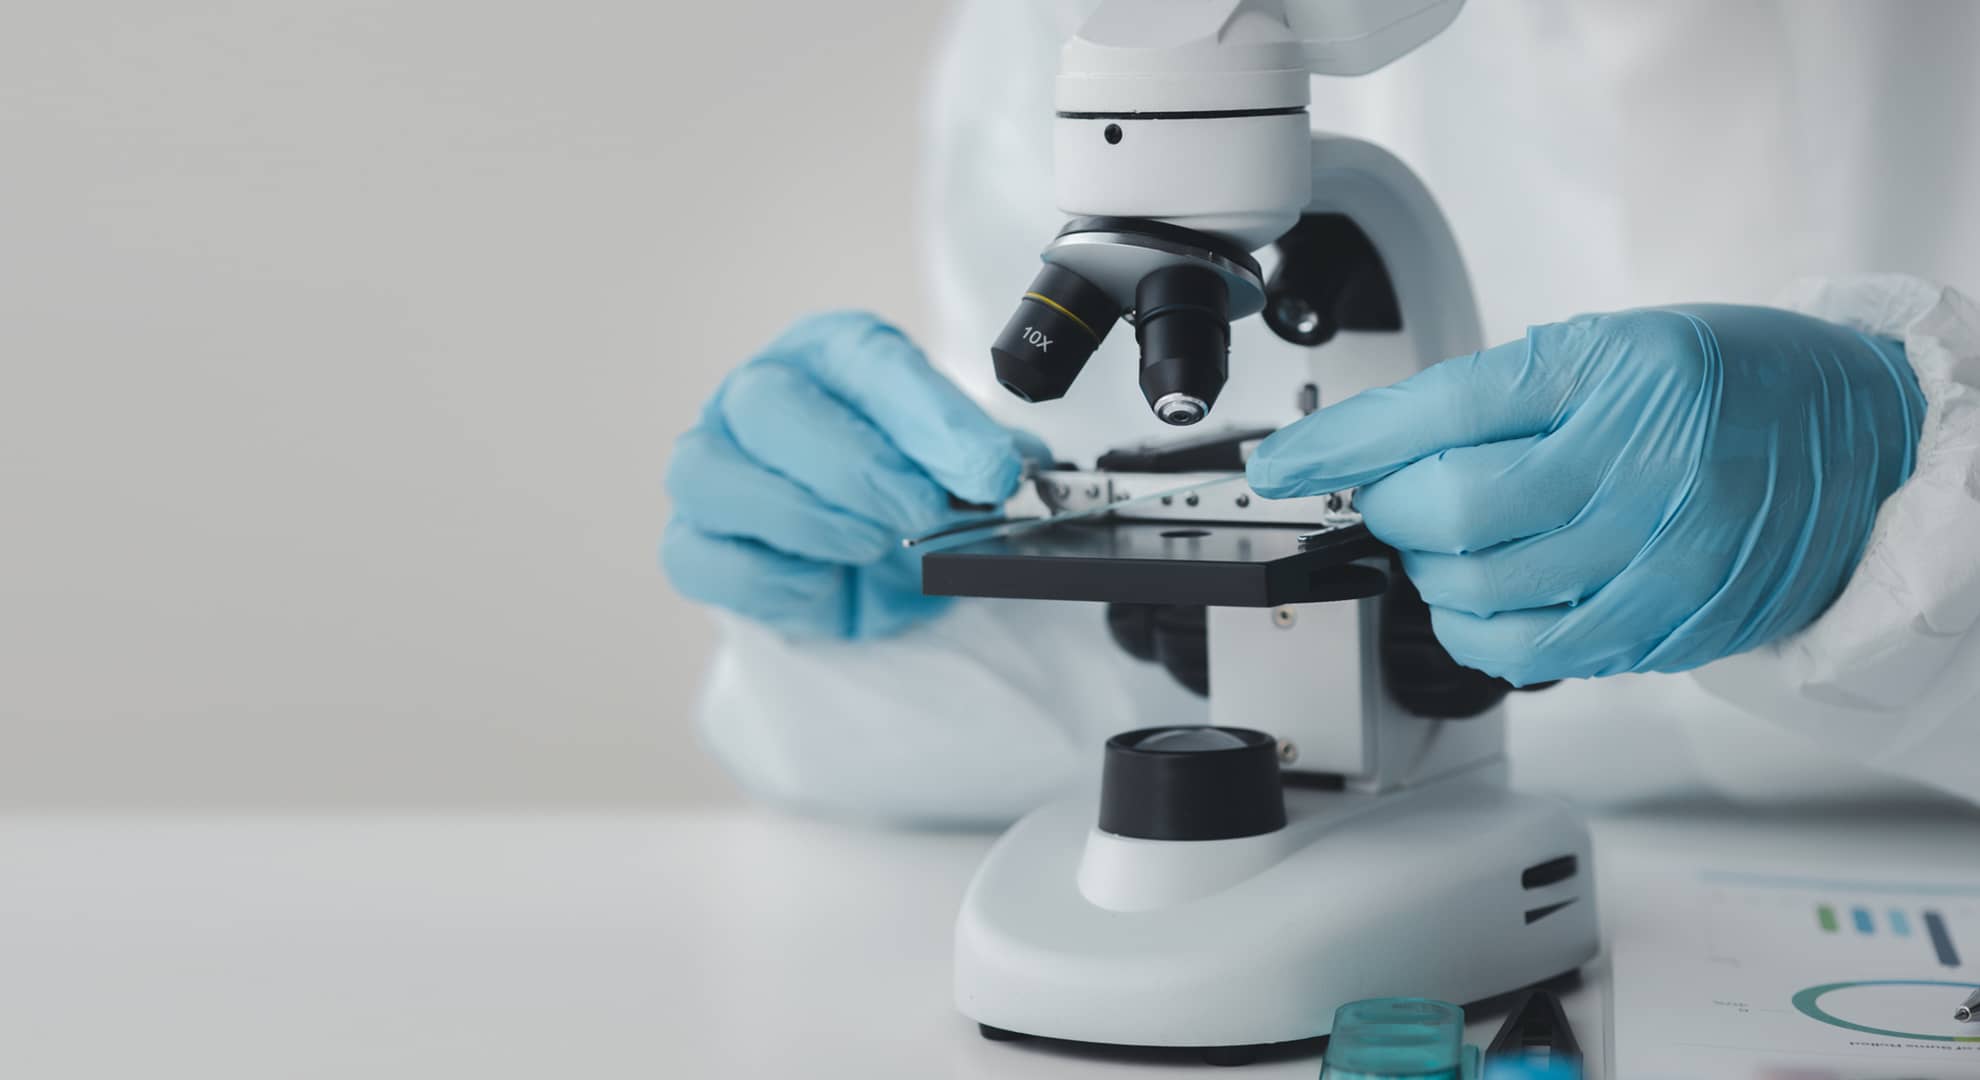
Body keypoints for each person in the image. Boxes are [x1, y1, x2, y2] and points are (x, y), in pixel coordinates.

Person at [664, 1, 1980, 824]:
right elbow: (1055, 673)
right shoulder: (1059, 31)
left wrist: (1920, 496)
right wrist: (864, 580)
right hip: (1371, 816)